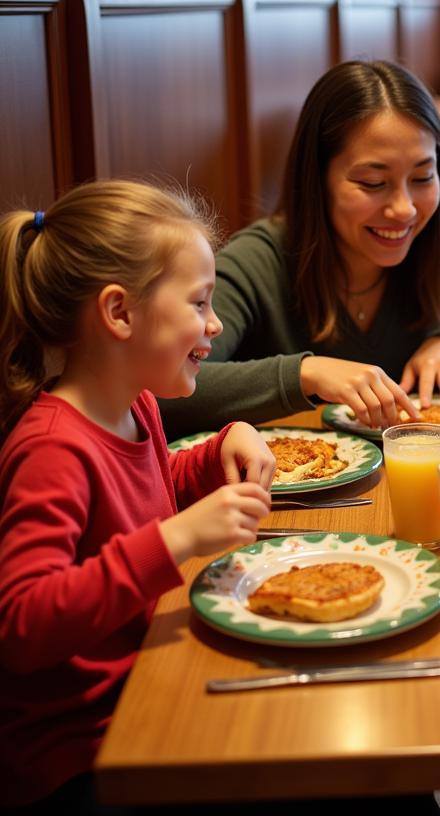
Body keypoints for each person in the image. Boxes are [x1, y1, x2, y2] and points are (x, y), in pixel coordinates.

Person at [0, 180, 277, 812]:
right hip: (79, 753)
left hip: (147, 683)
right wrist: (176, 538)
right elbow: (21, 621)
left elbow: (146, 492)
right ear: (120, 313)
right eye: (200, 303)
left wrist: (217, 451)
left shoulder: (137, 407)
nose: (216, 324)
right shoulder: (52, 449)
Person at [159, 60, 440, 440]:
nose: (405, 209)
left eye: (422, 178)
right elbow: (160, 393)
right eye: (373, 182)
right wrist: (305, 374)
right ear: (318, 180)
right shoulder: (258, 262)